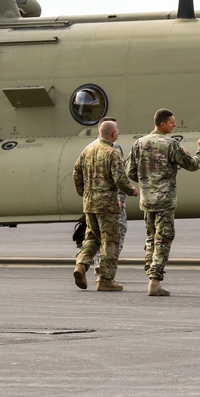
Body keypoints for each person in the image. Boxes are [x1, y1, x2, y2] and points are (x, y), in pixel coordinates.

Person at [126, 108, 200, 296]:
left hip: (147, 200)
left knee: (150, 238)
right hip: (165, 200)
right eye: (172, 122)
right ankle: (154, 280)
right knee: (163, 238)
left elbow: (130, 171)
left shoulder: (139, 143)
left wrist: (147, 180)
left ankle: (150, 276)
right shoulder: (171, 144)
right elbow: (193, 164)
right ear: (162, 124)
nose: (175, 124)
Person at [72, 119, 138, 291]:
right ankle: (106, 280)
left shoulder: (88, 150)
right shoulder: (112, 153)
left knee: (92, 237)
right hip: (107, 205)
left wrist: (83, 192)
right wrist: (132, 191)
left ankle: (81, 265)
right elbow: (120, 179)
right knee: (110, 241)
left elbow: (76, 172)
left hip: (89, 203)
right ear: (113, 134)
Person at [91, 116, 129, 282]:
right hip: (111, 200)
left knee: (96, 234)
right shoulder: (114, 148)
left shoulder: (89, 148)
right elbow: (119, 175)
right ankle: (106, 270)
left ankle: (96, 263)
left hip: (92, 200)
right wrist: (122, 196)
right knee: (116, 234)